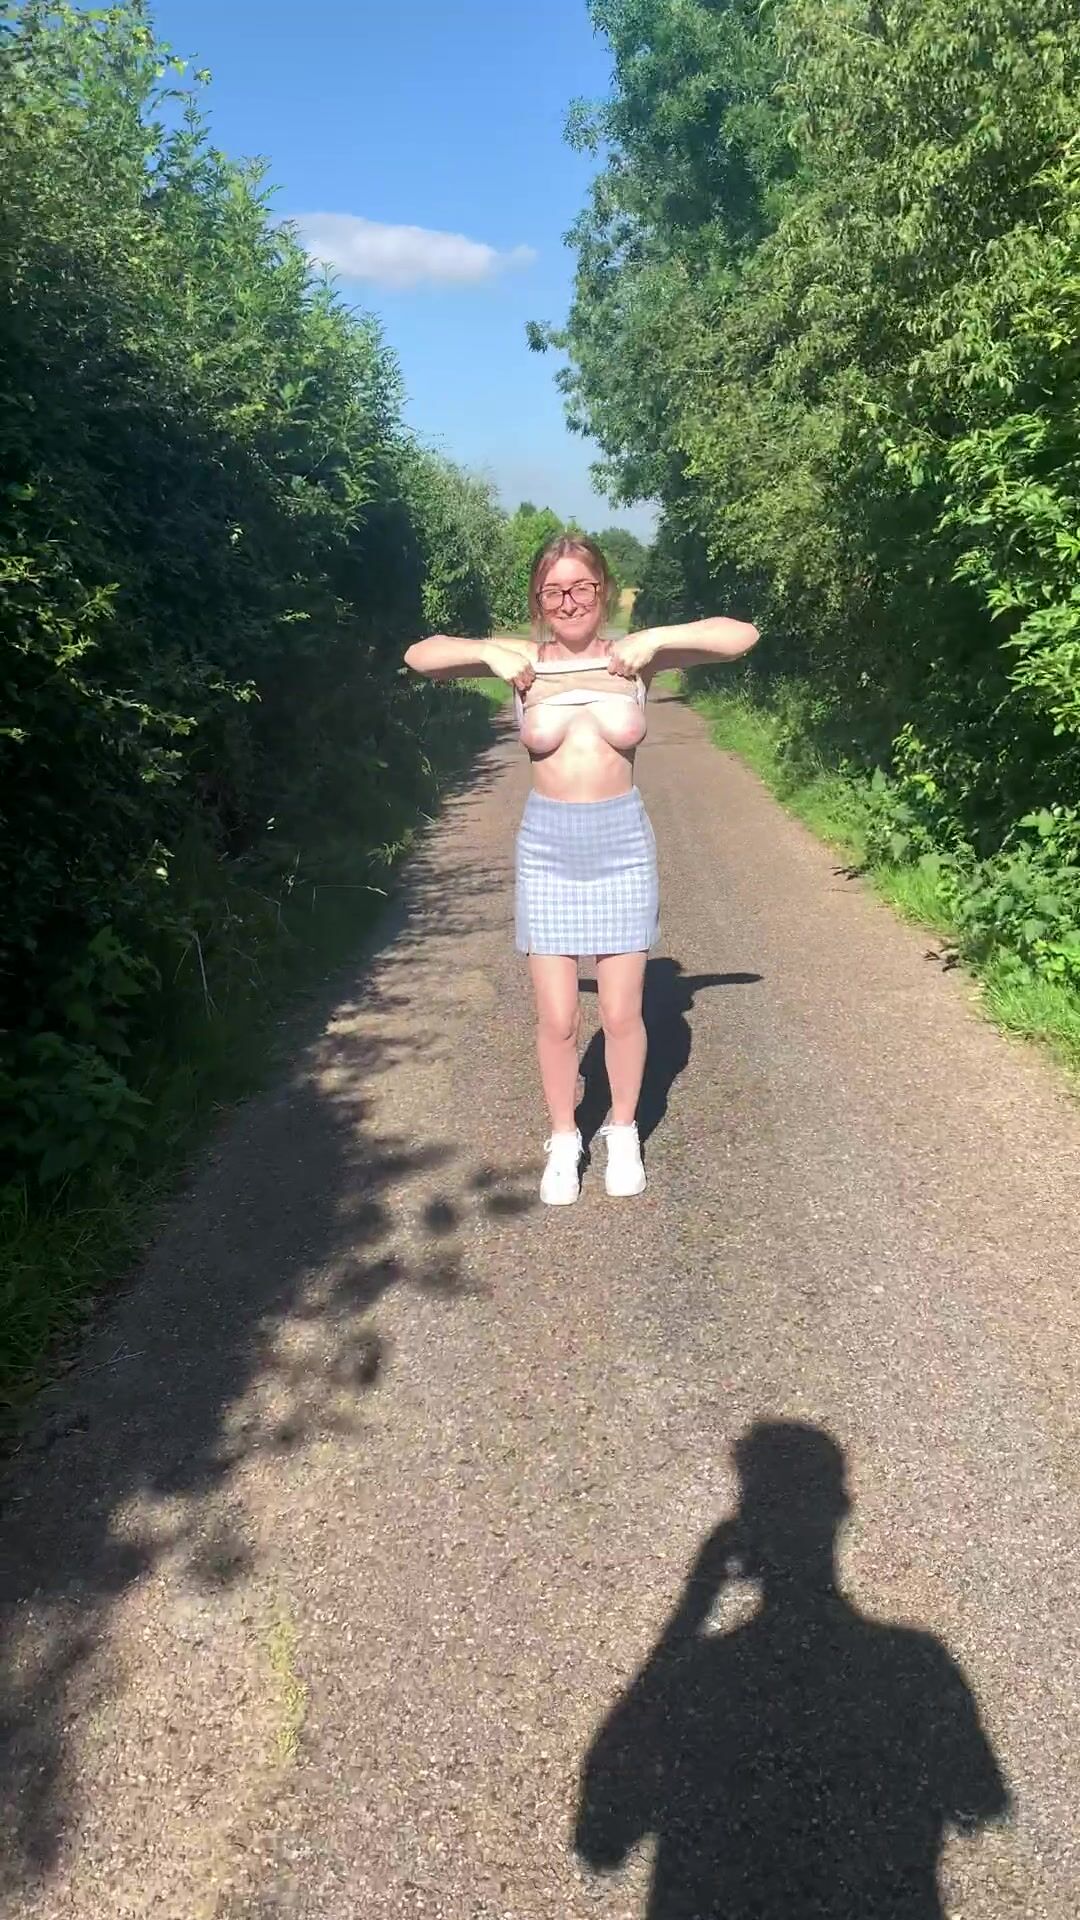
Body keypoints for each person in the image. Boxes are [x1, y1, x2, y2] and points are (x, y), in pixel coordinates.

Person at [404, 534, 758, 1205]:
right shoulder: (523, 663)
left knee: (622, 1013)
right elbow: (421, 656)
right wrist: (486, 651)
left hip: (621, 842)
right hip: (548, 848)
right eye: (554, 591)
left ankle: (622, 1131)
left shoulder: (634, 660)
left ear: (602, 590)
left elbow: (741, 636)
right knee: (559, 1017)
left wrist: (656, 637)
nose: (568, 602)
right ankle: (564, 1139)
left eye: (581, 587)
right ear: (539, 600)